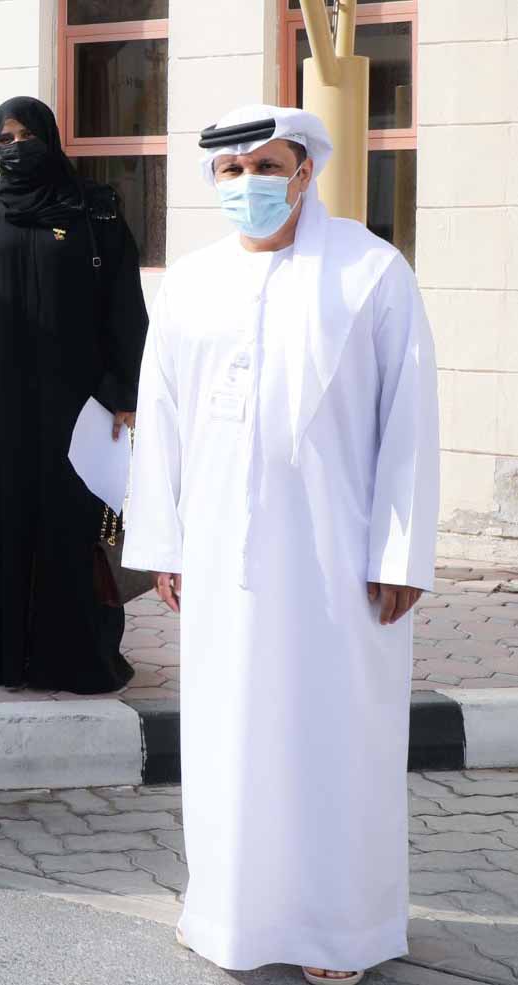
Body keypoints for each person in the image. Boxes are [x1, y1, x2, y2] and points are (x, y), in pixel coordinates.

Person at [125, 105, 439, 985]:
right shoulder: (188, 283)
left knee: (335, 736)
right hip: (223, 559)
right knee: (229, 736)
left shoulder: (370, 272)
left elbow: (408, 421)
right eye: (229, 171)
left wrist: (399, 552)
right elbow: (162, 422)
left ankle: (339, 931)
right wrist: (164, 540)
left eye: (265, 166)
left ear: (305, 171)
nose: (247, 184)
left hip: (339, 561)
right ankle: (227, 912)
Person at [0, 96, 148, 695]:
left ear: (50, 138)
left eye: (27, 134)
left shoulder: (92, 212)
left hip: (81, 407)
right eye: (5, 137)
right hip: (1, 410)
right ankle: (11, 658)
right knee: (6, 525)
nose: (16, 146)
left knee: (79, 529)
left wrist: (123, 391)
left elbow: (124, 303)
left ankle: (81, 657)